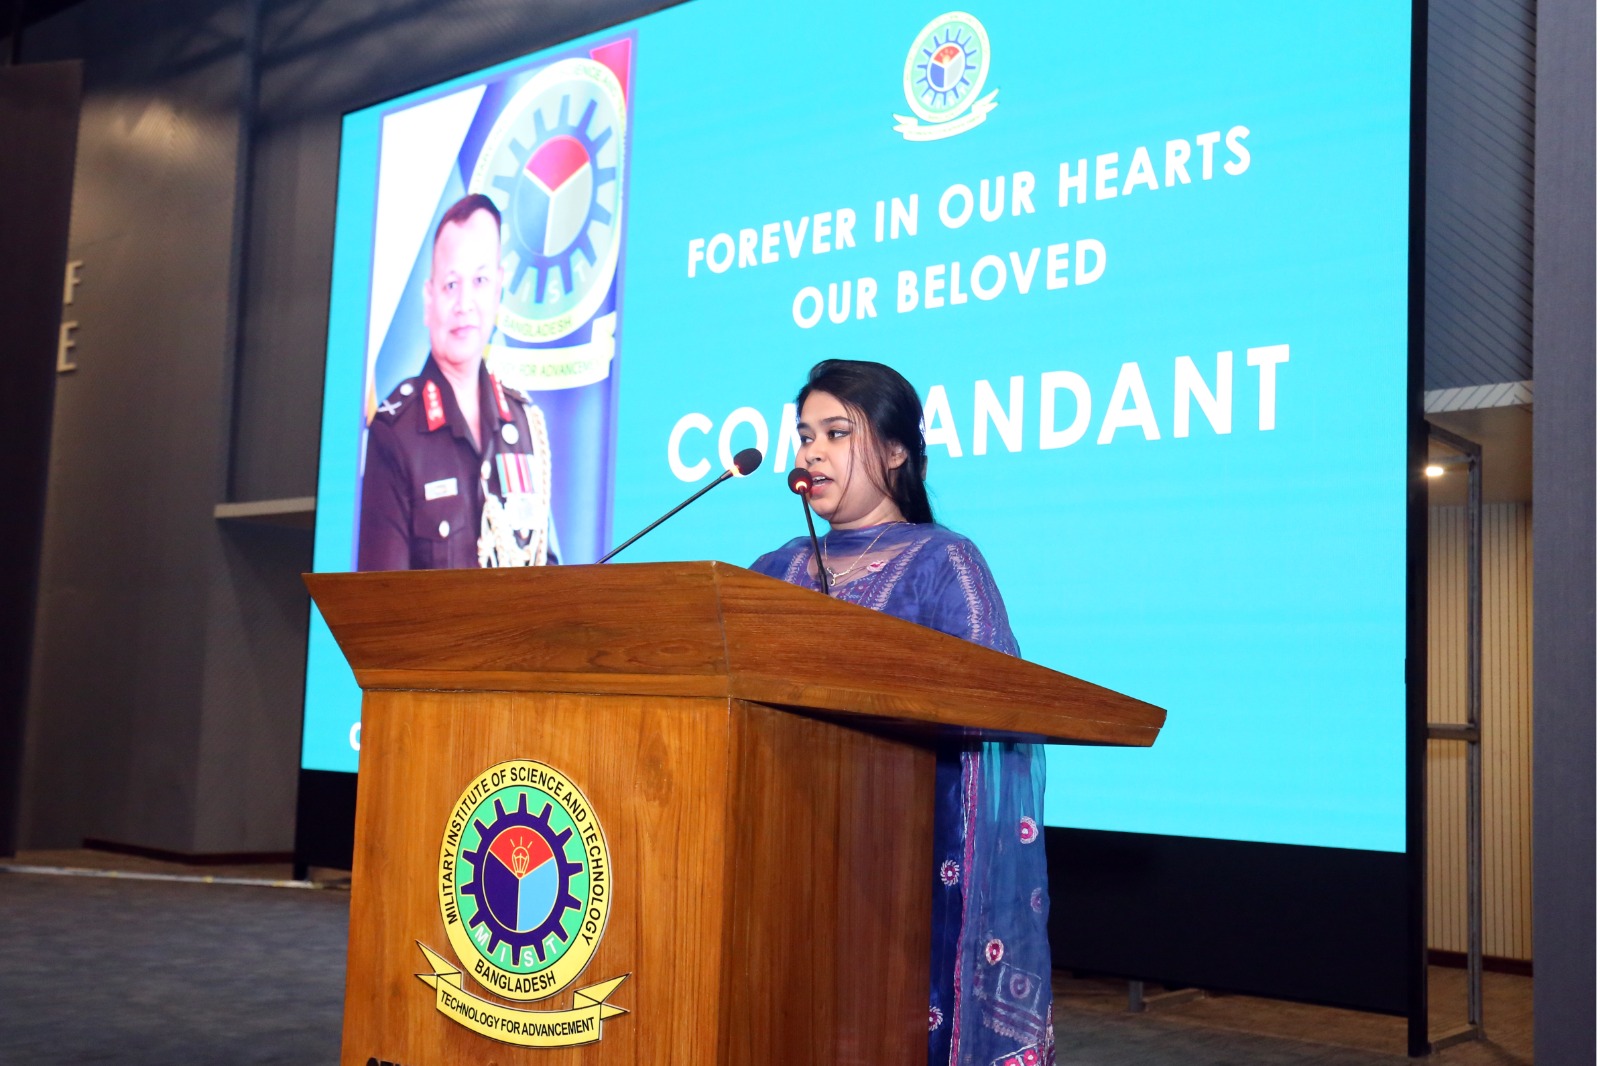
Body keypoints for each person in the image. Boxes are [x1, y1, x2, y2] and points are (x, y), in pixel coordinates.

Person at [750, 359, 1054, 1066]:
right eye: (804, 436)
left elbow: (993, 699)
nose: (812, 452)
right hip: (783, 849)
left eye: (835, 433)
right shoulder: (771, 571)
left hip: (905, 866)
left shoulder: (944, 562)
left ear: (895, 451)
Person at [358, 193, 559, 571]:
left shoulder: (523, 423)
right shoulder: (396, 433)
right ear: (429, 298)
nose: (465, 303)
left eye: (480, 280)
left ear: (498, 290)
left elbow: (545, 569)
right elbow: (383, 596)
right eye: (451, 284)